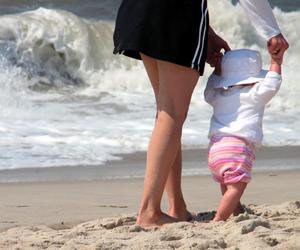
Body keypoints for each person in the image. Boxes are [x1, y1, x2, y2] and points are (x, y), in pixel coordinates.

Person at [113, 0, 289, 227]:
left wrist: (206, 30)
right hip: (175, 13)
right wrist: (272, 31)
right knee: (172, 115)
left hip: (137, 9)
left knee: (165, 113)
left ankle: (176, 207)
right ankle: (149, 212)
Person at [204, 47, 285, 221]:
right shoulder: (255, 93)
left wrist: (217, 71)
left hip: (215, 147)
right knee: (236, 187)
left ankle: (236, 208)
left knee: (227, 181)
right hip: (237, 147)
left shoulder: (219, 95)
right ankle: (219, 219)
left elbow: (208, 91)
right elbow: (272, 83)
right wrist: (275, 62)